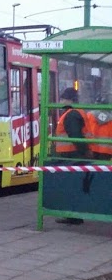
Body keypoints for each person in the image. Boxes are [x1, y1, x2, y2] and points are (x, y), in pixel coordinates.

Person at [55, 86, 91, 225]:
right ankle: (74, 215)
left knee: (71, 186)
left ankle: (73, 216)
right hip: (74, 155)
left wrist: (84, 151)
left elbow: (75, 136)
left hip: (71, 156)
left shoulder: (71, 114)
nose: (61, 101)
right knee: (76, 185)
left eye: (63, 98)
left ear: (69, 100)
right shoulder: (78, 112)